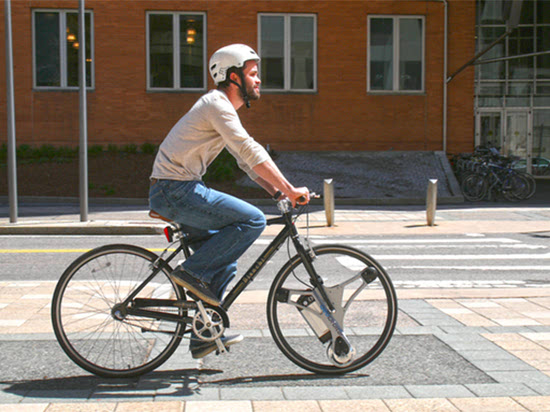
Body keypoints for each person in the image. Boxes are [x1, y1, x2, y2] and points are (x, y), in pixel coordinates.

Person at [149, 44, 309, 358]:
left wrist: (277, 193)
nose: (259, 79)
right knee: (252, 221)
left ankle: (203, 333)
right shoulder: (216, 104)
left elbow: (245, 163)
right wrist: (290, 189)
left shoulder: (220, 110)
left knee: (225, 262)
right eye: (253, 73)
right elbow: (250, 150)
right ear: (233, 77)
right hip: (175, 189)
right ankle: (190, 272)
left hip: (177, 188)